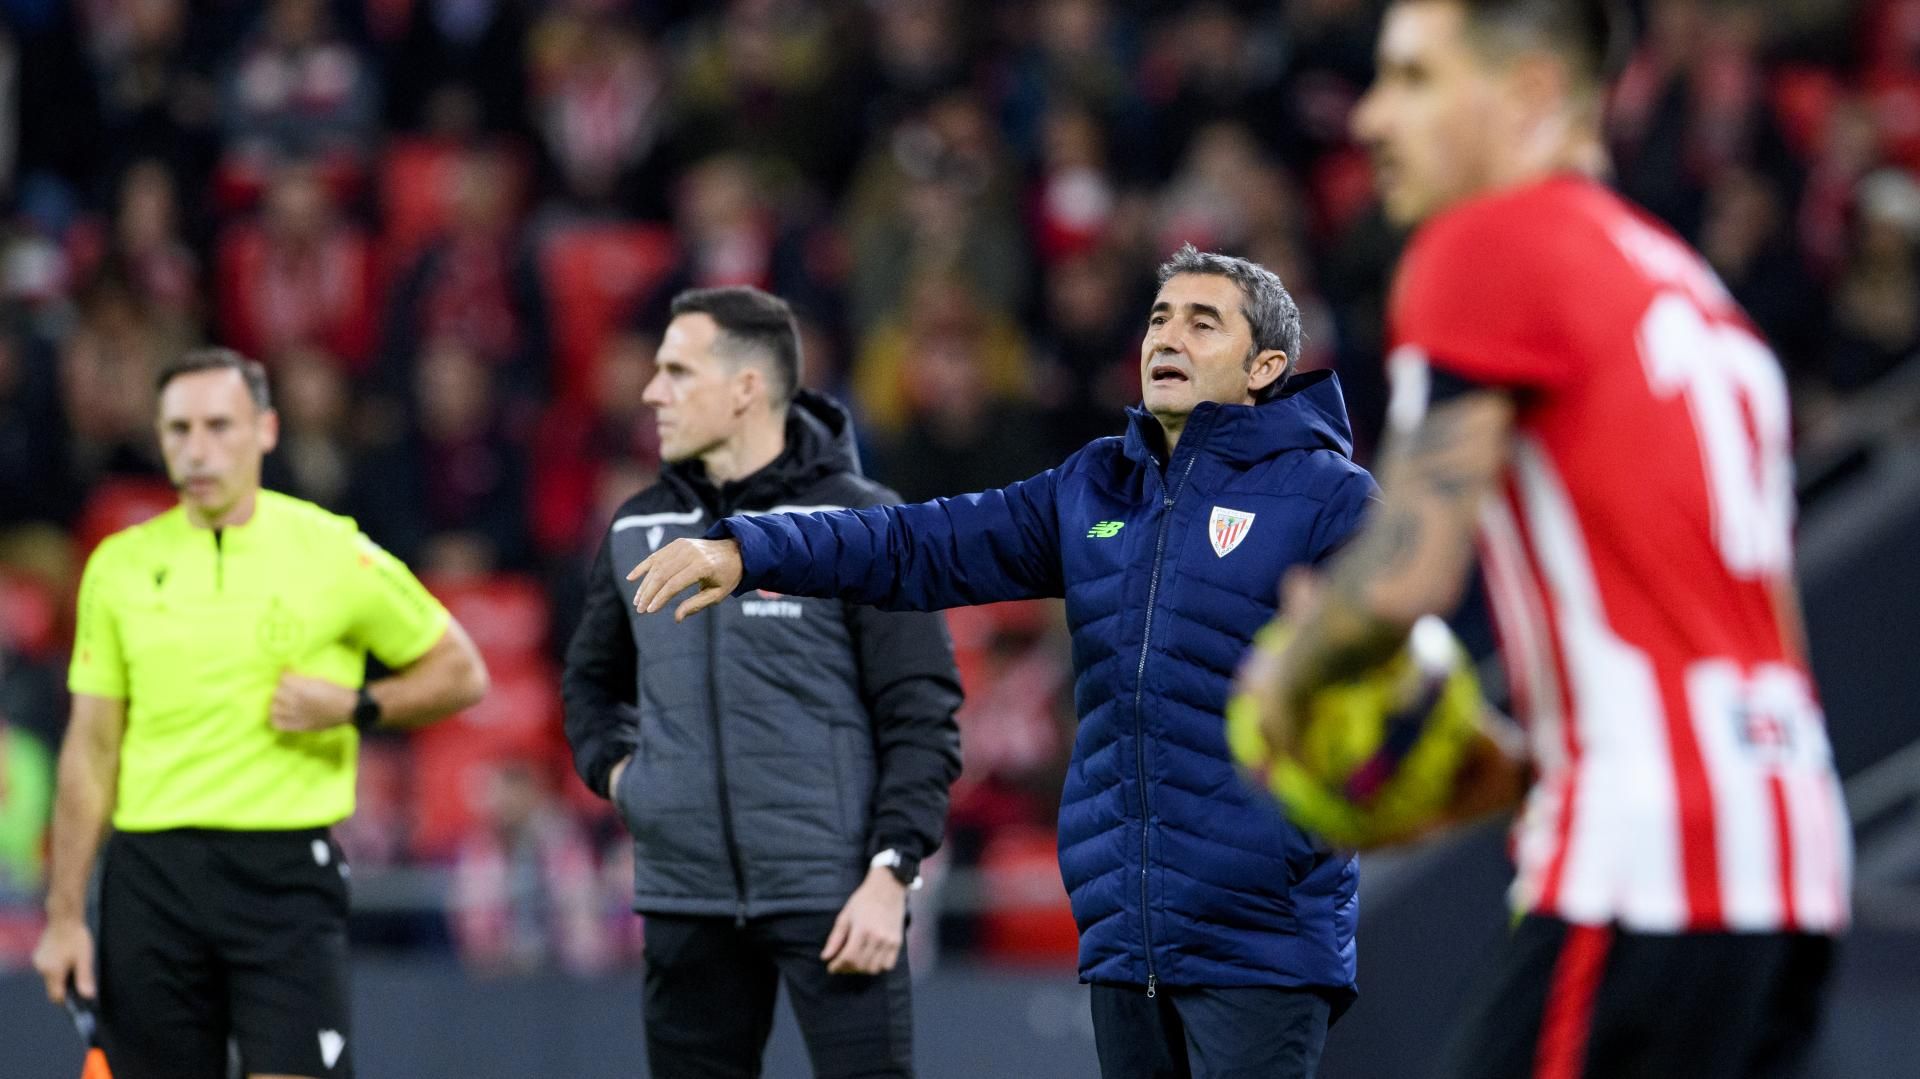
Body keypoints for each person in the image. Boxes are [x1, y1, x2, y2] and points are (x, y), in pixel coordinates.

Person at [1234, 3, 1851, 1077]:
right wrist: (1520, 764)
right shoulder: (1688, 286)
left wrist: (1282, 685)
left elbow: (1410, 569)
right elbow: (1724, 626)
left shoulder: (1488, 240)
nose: (1374, 117)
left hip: (1645, 859)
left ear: (1525, 96)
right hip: (1789, 844)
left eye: (1415, 79)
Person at [629, 249, 1379, 1078]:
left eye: (1204, 322)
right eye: (1160, 317)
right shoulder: (1096, 487)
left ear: (1265, 366)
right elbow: (916, 542)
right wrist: (753, 547)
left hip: (1261, 935)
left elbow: (1388, 670)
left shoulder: (1330, 498)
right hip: (1128, 939)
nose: (1168, 336)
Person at [32, 348, 490, 1079]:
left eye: (220, 424)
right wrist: (62, 918)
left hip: (282, 877)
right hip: (150, 876)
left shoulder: (331, 549)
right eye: (179, 428)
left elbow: (462, 671)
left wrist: (356, 703)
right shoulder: (118, 566)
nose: (198, 448)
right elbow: (90, 748)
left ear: (267, 430)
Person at [562, 285, 963, 1079]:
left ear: (746, 388)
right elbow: (588, 682)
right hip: (684, 897)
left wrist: (891, 873)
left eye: (676, 371)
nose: (651, 392)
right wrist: (627, 778)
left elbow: (923, 716)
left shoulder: (864, 524)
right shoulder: (637, 525)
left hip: (837, 897)